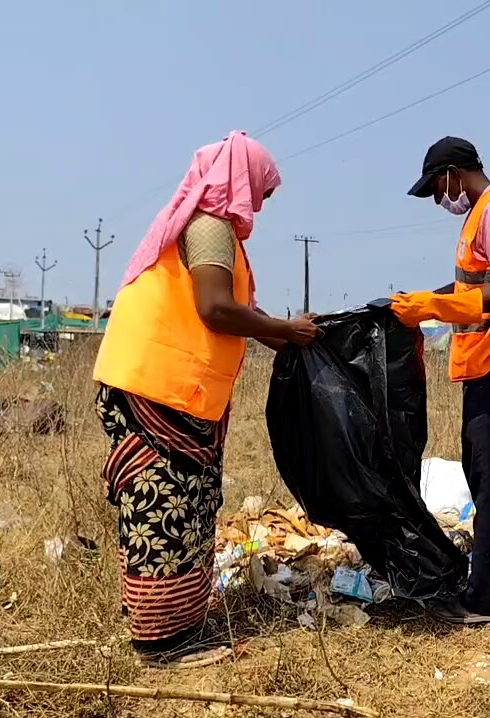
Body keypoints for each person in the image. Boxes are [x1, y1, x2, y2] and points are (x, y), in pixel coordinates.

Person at [92, 131, 320, 667]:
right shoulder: (209, 227)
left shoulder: (220, 237)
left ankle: (176, 621)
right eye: (262, 186)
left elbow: (242, 315)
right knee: (163, 502)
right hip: (155, 382)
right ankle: (161, 642)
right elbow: (216, 309)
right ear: (241, 178)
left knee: (187, 499)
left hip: (174, 388)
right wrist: (286, 328)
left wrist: (290, 336)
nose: (262, 200)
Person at [392, 137, 490, 624]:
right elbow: (469, 287)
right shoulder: (478, 215)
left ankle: (489, 597)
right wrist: (420, 299)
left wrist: (434, 307)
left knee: (489, 475)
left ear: (455, 173)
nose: (441, 199)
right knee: (481, 470)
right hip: (486, 361)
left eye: (438, 188)